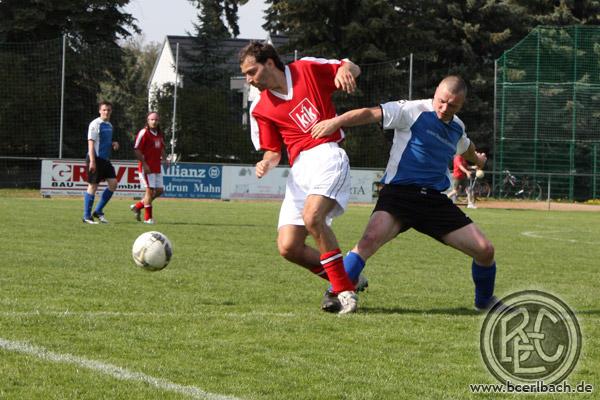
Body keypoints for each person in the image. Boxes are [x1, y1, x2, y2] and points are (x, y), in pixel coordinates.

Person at [310, 75, 500, 311]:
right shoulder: (412, 110)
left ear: (461, 105)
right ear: (436, 93)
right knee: (368, 242)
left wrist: (479, 160)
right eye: (441, 101)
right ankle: (334, 293)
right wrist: (336, 121)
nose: (444, 108)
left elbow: (467, 147)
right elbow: (370, 113)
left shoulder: (457, 128)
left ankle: (484, 302)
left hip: (434, 201)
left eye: (452, 105)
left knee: (485, 250)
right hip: (399, 195)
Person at [239, 41, 363, 314]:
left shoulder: (306, 69)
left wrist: (346, 69)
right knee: (288, 247)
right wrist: (266, 163)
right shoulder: (260, 108)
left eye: (251, 72)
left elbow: (352, 67)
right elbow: (273, 152)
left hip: (327, 154)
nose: (249, 79)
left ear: (269, 63)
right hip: (299, 170)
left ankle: (344, 292)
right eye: (246, 74)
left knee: (313, 218)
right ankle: (348, 276)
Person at [82, 101, 119, 224]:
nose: (106, 112)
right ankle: (86, 216)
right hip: (95, 159)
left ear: (111, 111)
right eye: (104, 110)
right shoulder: (95, 124)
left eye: (108, 110)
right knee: (93, 185)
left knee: (113, 184)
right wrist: (92, 161)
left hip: (105, 160)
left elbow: (103, 141)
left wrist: (113, 143)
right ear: (99, 111)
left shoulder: (109, 125)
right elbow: (91, 143)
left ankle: (98, 211)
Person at [130, 112, 168, 224]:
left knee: (160, 191)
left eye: (156, 120)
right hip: (146, 167)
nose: (154, 121)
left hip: (156, 166)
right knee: (150, 191)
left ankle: (138, 206)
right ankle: (148, 218)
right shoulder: (144, 132)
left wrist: (165, 159)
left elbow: (161, 148)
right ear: (148, 120)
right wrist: (144, 164)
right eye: (152, 119)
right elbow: (136, 149)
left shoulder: (159, 133)